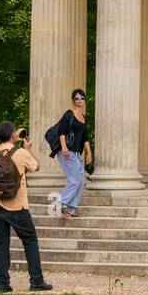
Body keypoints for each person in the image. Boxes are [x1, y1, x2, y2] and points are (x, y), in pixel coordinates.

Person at [0, 121, 52, 293]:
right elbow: (36, 166)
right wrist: (27, 148)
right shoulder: (22, 153)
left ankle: (2, 284)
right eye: (15, 132)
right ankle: (36, 281)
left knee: (1, 243)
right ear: (13, 135)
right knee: (30, 241)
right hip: (17, 206)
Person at [55, 89, 92, 219]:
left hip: (77, 153)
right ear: (73, 100)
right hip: (67, 151)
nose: (80, 100)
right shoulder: (69, 114)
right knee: (75, 180)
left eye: (82, 98)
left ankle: (71, 209)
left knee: (81, 181)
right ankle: (59, 204)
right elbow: (61, 132)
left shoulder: (83, 117)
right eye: (77, 98)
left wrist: (89, 152)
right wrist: (64, 147)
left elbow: (85, 137)